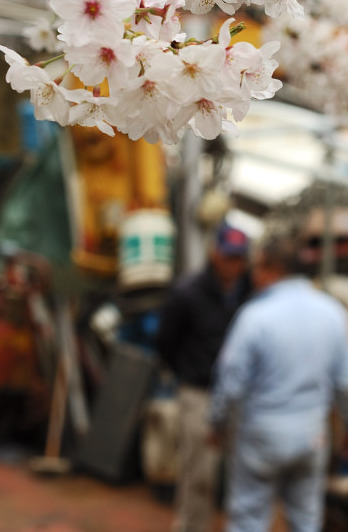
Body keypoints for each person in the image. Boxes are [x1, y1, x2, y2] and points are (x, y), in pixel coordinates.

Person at [209, 235, 348, 532]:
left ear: (273, 270)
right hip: (311, 435)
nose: (252, 275)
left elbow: (231, 382)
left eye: (257, 267)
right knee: (306, 518)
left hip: (261, 435)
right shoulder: (333, 313)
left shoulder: (254, 317)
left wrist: (218, 424)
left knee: (248, 520)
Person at [156, 221, 251, 532]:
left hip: (239, 397)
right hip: (200, 393)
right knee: (199, 474)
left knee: (242, 473)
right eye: (228, 257)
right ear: (214, 254)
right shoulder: (187, 293)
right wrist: (188, 371)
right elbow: (166, 342)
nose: (233, 265)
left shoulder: (249, 293)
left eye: (238, 258)